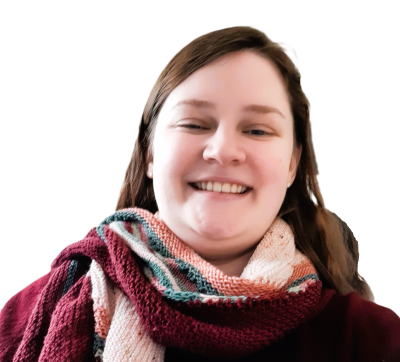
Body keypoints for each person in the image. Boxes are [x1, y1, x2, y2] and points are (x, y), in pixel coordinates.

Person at [0, 26, 399, 362]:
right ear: (151, 153)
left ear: (293, 163)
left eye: (258, 130)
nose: (223, 149)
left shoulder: (372, 340)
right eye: (193, 124)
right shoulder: (33, 312)